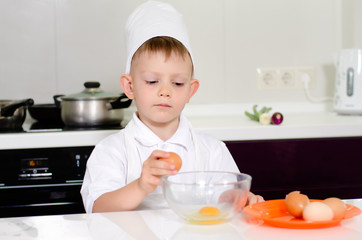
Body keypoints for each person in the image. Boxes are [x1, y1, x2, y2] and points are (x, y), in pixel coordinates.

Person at [80, 0, 263, 213]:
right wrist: (141, 185)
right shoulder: (111, 151)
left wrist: (243, 199)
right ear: (129, 87)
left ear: (190, 90)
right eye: (151, 81)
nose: (165, 91)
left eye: (177, 83)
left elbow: (228, 198)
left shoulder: (212, 150)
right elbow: (97, 209)